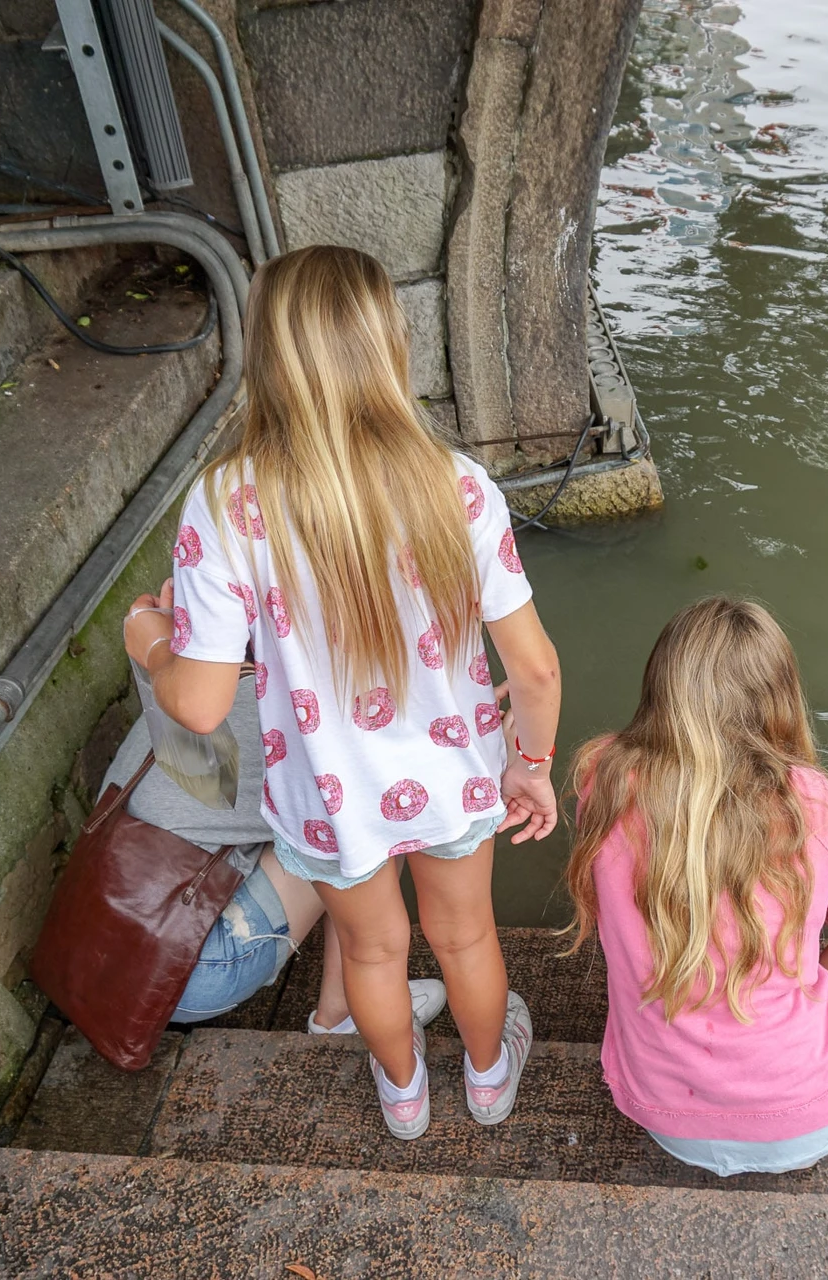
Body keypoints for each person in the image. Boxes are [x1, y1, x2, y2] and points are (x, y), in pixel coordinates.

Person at [122, 245, 562, 1140]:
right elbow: (537, 670)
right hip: (452, 778)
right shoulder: (459, 488)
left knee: (372, 950)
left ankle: (403, 1096)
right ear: (388, 344)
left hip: (329, 796)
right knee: (466, 937)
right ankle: (488, 1081)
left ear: (267, 357)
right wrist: (533, 764)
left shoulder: (226, 503)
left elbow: (199, 704)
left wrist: (149, 637)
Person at [565, 597, 828, 1177]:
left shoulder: (604, 779)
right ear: (780, 697)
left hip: (662, 1116)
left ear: (663, 686)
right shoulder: (808, 798)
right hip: (809, 1118)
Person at [97, 667, 447, 1036]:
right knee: (376, 794)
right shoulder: (309, 711)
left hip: (97, 949)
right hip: (188, 974)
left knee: (331, 794)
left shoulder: (208, 672)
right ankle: (344, 1010)